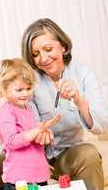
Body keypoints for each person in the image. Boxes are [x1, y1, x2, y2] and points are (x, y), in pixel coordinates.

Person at [21, 18, 108, 190]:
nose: (43, 59)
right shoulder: (29, 80)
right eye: (35, 54)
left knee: (88, 153)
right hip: (32, 156)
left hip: (68, 155)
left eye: (48, 49)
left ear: (63, 46)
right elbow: (25, 129)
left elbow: (102, 126)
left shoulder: (83, 74)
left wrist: (79, 100)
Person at [0, 58, 61, 190]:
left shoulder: (28, 108)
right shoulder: (6, 111)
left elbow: (32, 145)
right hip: (18, 179)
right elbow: (12, 141)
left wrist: (41, 163)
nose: (25, 94)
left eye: (28, 88)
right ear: (4, 89)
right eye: (19, 90)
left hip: (38, 176)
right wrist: (37, 130)